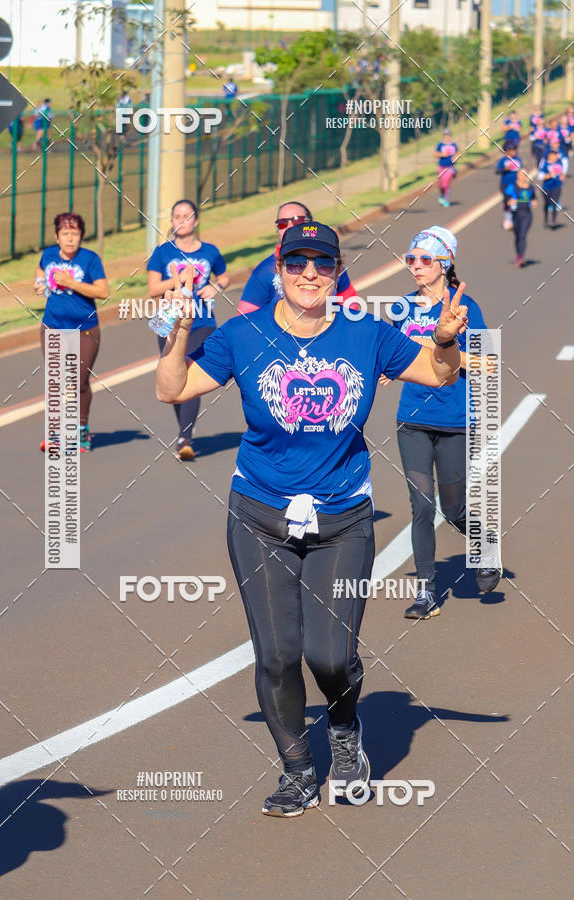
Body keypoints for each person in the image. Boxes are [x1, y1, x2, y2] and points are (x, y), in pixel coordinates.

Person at [156, 221, 470, 816]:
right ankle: (297, 770)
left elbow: (437, 372)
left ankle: (345, 727)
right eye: (296, 262)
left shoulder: (366, 333)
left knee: (330, 656)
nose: (308, 274)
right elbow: (173, 390)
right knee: (276, 655)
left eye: (321, 264)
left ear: (336, 272)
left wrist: (447, 340)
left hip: (343, 520)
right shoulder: (243, 334)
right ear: (278, 268)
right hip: (258, 514)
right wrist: (174, 337)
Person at [383, 226, 501, 620]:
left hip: (455, 421)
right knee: (421, 507)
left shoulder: (469, 309)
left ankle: (485, 546)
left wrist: (442, 348)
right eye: (410, 258)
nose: (415, 266)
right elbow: (392, 354)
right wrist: (387, 365)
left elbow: (489, 363)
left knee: (453, 510)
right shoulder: (401, 307)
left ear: (445, 263)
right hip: (412, 421)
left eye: (425, 260)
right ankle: (427, 594)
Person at [147, 199, 229, 460]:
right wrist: (181, 279)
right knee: (173, 377)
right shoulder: (162, 252)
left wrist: (215, 287)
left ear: (196, 220)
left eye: (186, 216)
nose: (181, 221)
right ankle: (185, 432)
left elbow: (224, 276)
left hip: (203, 322)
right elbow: (153, 289)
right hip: (170, 323)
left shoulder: (211, 251)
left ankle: (185, 437)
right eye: (176, 216)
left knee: (190, 371)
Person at [34, 213, 109, 452]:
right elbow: (40, 271)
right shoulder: (48, 255)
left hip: (84, 330)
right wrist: (39, 285)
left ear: (81, 236)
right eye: (65, 234)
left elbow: (103, 291)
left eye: (75, 234)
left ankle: (81, 430)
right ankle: (56, 434)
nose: (70, 239)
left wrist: (71, 283)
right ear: (57, 236)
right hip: (52, 326)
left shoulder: (90, 259)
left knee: (78, 382)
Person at [238, 201, 356, 316]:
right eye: (282, 223)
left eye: (297, 220)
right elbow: (245, 317)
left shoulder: (331, 263)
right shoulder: (263, 272)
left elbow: (350, 302)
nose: (289, 226)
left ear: (311, 223)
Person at [505, 170, 536, 267]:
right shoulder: (512, 187)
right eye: (521, 174)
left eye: (525, 175)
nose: (523, 176)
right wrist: (509, 202)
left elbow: (534, 199)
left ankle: (521, 257)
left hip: (527, 214)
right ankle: (518, 255)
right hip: (515, 214)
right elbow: (505, 200)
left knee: (522, 235)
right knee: (518, 236)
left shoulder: (531, 188)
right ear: (517, 176)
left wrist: (534, 202)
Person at [495, 141, 522, 230]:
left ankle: (515, 219)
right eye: (510, 150)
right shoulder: (503, 161)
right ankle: (507, 219)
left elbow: (521, 170)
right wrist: (505, 169)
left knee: (516, 201)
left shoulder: (518, 159)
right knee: (507, 201)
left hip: (516, 184)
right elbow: (498, 171)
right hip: (505, 184)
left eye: (514, 150)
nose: (512, 152)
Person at [537, 149, 565, 228]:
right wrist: (549, 175)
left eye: (556, 155)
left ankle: (553, 220)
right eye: (553, 155)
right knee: (547, 204)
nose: (555, 157)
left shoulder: (559, 162)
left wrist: (562, 175)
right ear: (549, 156)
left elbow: (561, 173)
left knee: (555, 203)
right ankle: (546, 219)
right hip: (546, 187)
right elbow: (540, 176)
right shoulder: (545, 164)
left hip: (557, 186)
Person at [435, 129, 458, 207]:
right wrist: (442, 154)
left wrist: (455, 158)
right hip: (441, 166)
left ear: (450, 136)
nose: (447, 137)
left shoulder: (454, 144)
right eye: (445, 135)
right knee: (442, 184)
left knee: (447, 183)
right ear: (444, 136)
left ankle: (446, 199)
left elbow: (458, 154)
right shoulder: (440, 145)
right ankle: (442, 196)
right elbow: (435, 154)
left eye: (448, 135)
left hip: (450, 167)